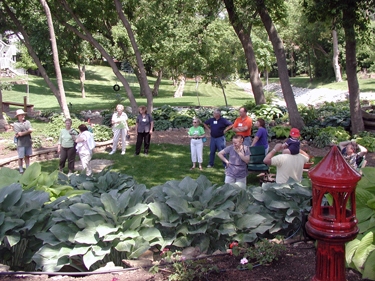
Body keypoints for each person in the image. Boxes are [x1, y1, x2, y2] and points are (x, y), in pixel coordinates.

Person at [13, 109, 34, 174]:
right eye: (22, 115)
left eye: (23, 115)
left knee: (27, 155)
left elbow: (29, 129)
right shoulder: (16, 124)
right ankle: (21, 169)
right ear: (18, 116)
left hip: (28, 141)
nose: (23, 116)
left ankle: (27, 168)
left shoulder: (27, 122)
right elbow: (20, 134)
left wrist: (24, 132)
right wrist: (28, 131)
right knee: (21, 157)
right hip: (21, 143)